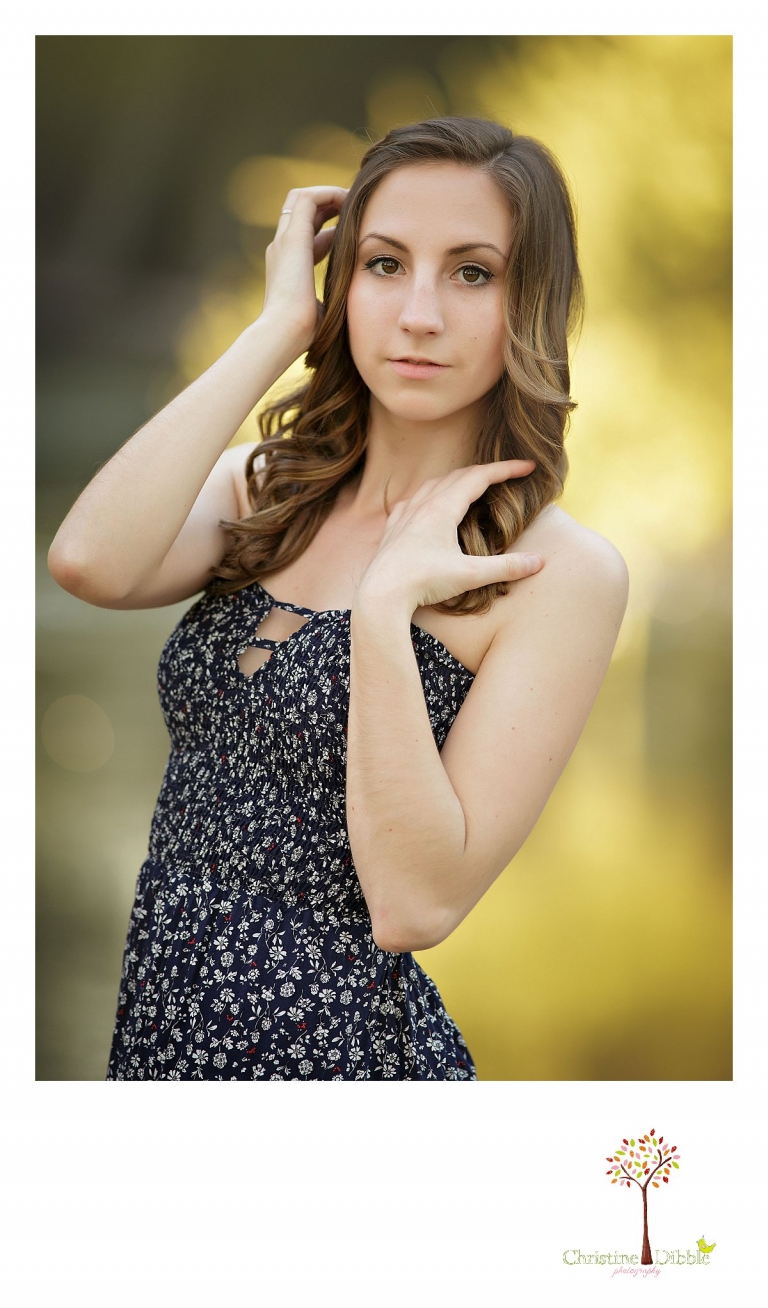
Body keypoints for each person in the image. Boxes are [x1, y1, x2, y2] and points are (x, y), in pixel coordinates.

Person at [48, 116, 628, 1080]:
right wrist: (278, 328)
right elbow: (87, 564)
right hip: (160, 1052)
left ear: (530, 301)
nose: (419, 314)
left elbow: (414, 906)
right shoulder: (268, 489)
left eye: (472, 272)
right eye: (384, 264)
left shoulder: (556, 573)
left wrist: (385, 610)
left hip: (343, 1068)